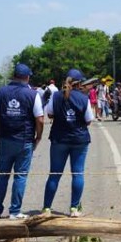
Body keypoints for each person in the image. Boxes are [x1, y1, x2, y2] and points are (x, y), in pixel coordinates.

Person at [0, 63, 45, 219]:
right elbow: (40, 119)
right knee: (20, 176)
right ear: (27, 77)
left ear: (14, 76)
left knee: (2, 175)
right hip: (24, 140)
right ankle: (14, 212)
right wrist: (38, 137)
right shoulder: (32, 94)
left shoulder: (0, 92)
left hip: (5, 139)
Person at [42, 69, 95, 217]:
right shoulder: (83, 98)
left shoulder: (56, 96)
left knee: (54, 174)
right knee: (77, 173)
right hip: (79, 140)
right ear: (79, 83)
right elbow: (88, 120)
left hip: (59, 139)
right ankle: (74, 208)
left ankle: (46, 208)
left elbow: (50, 114)